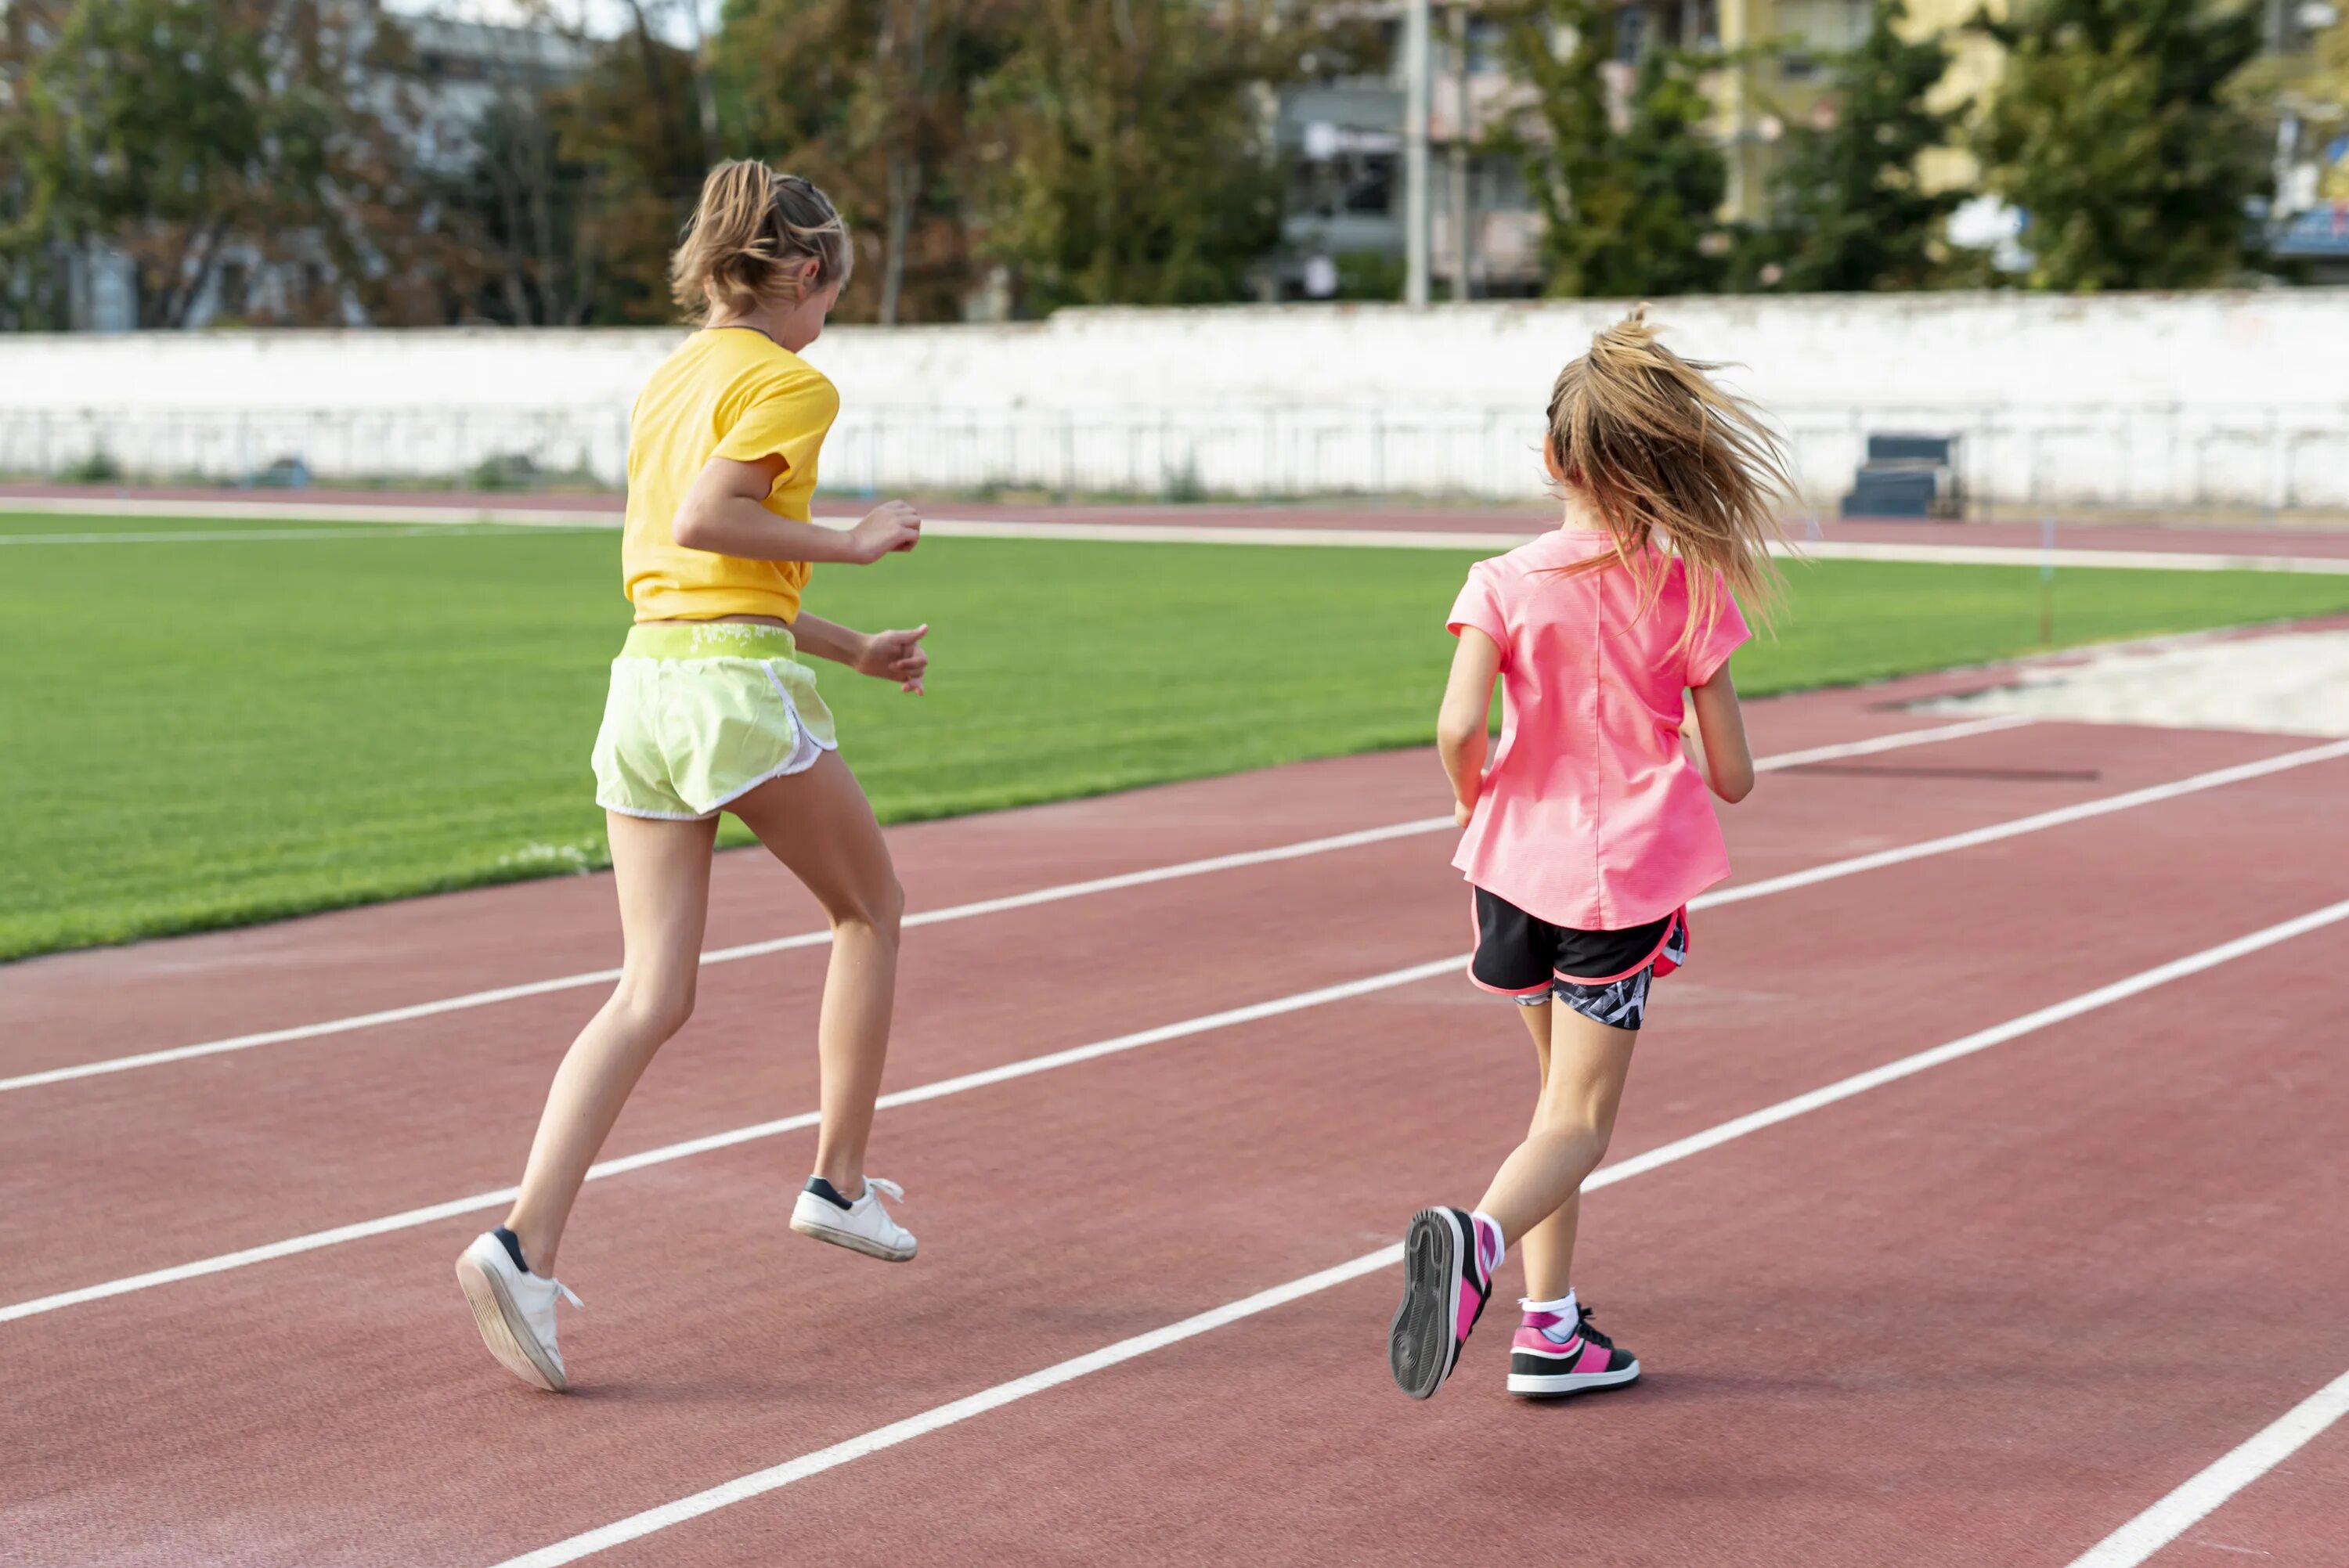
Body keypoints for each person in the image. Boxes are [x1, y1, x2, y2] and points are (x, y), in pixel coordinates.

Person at [456, 162, 933, 1393]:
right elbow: (713, 525)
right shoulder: (791, 378)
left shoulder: (670, 379)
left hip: (647, 685)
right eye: (837, 292)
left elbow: (702, 574)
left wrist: (851, 648)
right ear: (809, 275)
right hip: (726, 690)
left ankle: (522, 1242)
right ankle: (838, 1180)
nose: (833, 318)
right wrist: (849, 543)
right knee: (869, 911)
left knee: (650, 990)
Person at [1386, 307, 1788, 1402]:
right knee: (1579, 1122)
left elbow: (1457, 728)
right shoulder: (1689, 588)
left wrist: (1482, 808)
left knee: (1551, 1109)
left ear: (1554, 456)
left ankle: (1551, 1330)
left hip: (1512, 872)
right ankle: (1476, 1244)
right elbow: (1736, 774)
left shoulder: (1499, 580)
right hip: (1619, 888)